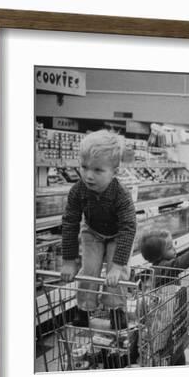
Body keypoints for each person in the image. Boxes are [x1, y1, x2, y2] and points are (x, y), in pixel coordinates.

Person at [61, 130, 137, 328]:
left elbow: (129, 228)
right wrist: (69, 260)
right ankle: (84, 308)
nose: (88, 175)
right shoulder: (78, 190)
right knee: (90, 270)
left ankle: (116, 309)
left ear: (115, 172)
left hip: (118, 235)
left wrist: (118, 265)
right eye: (84, 167)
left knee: (116, 275)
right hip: (92, 232)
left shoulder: (121, 195)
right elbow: (70, 222)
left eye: (97, 170)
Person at [139, 229, 189, 365]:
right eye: (170, 248)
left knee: (175, 345)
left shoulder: (162, 264)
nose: (174, 249)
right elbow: (177, 264)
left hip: (171, 315)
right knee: (170, 348)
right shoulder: (161, 268)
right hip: (165, 318)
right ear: (158, 256)